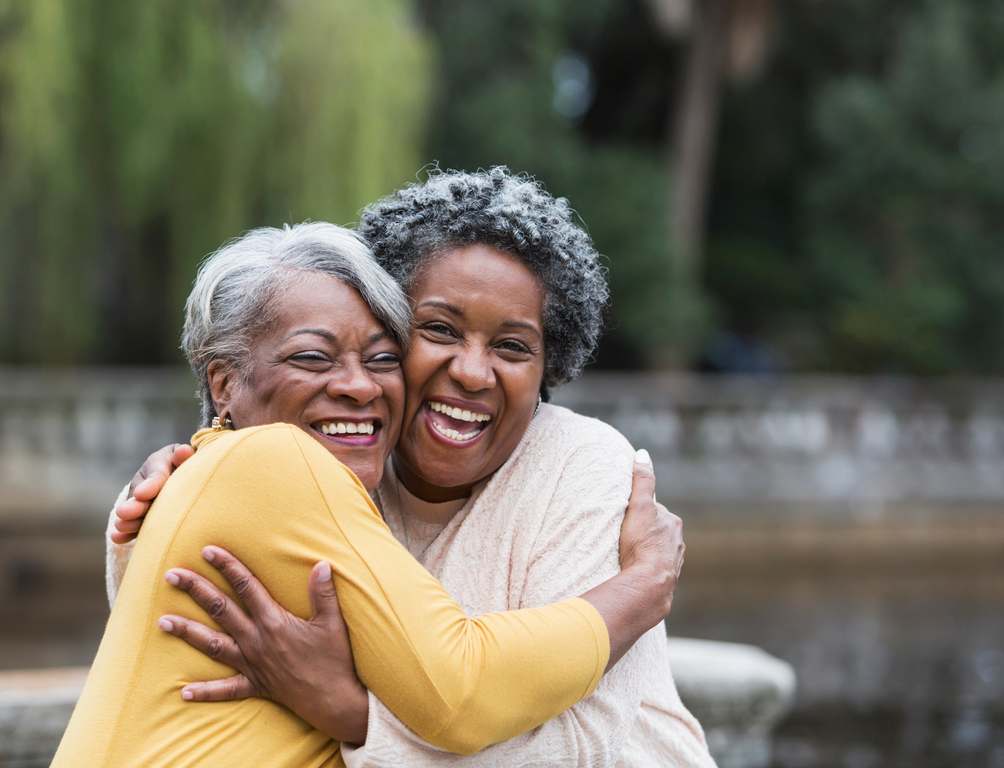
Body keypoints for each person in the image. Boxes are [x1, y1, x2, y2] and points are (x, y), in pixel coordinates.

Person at [110, 169, 716, 767]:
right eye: (439, 330)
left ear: (547, 366)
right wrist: (164, 508)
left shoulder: (582, 466)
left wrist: (348, 714)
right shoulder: (340, 465)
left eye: (511, 347)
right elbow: (178, 631)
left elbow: (578, 748)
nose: (473, 373)